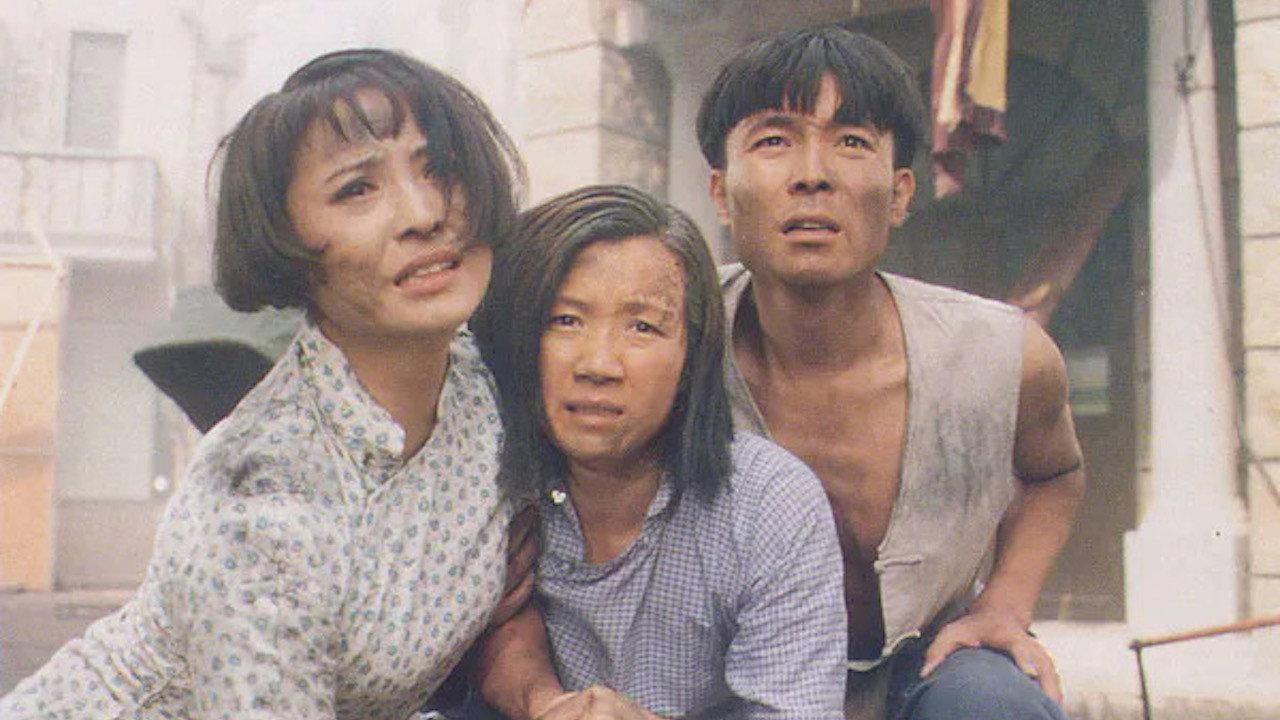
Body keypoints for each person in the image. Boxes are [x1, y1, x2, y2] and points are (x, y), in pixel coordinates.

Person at [0, 48, 527, 720]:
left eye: (441, 167)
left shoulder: (489, 391)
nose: (424, 212)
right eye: (356, 189)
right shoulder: (257, 502)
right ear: (287, 246)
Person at [697, 26, 1087, 719]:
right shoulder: (674, 339)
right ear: (722, 193)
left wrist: (1004, 604)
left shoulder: (1001, 354)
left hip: (922, 664)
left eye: (851, 142)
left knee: (992, 704)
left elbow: (1056, 473)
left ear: (901, 193)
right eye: (774, 140)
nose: (812, 174)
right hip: (727, 673)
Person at [469, 185, 847, 720]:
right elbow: (497, 631)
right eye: (565, 320)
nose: (598, 364)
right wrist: (547, 704)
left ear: (692, 353)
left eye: (642, 327)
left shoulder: (769, 503)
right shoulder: (484, 467)